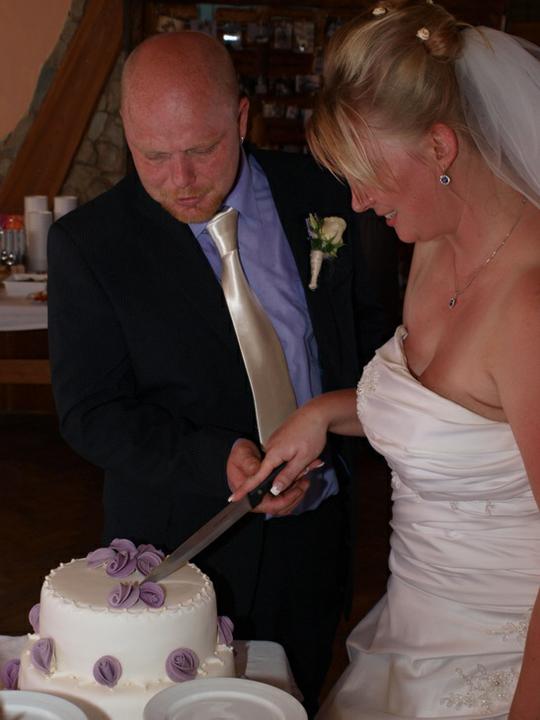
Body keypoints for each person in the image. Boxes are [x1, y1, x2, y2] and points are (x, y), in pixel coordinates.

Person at [46, 31, 400, 716]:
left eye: (201, 150)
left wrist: (335, 442)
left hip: (317, 537)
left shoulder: (324, 194)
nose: (180, 179)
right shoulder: (91, 244)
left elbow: (370, 336)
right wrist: (216, 458)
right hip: (179, 556)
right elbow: (90, 411)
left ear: (241, 119)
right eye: (153, 156)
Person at [228, 1, 540, 718]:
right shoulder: (432, 244)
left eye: (369, 175)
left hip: (502, 663)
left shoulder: (528, 308)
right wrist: (323, 414)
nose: (360, 203)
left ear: (440, 148)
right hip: (407, 634)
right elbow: (452, 418)